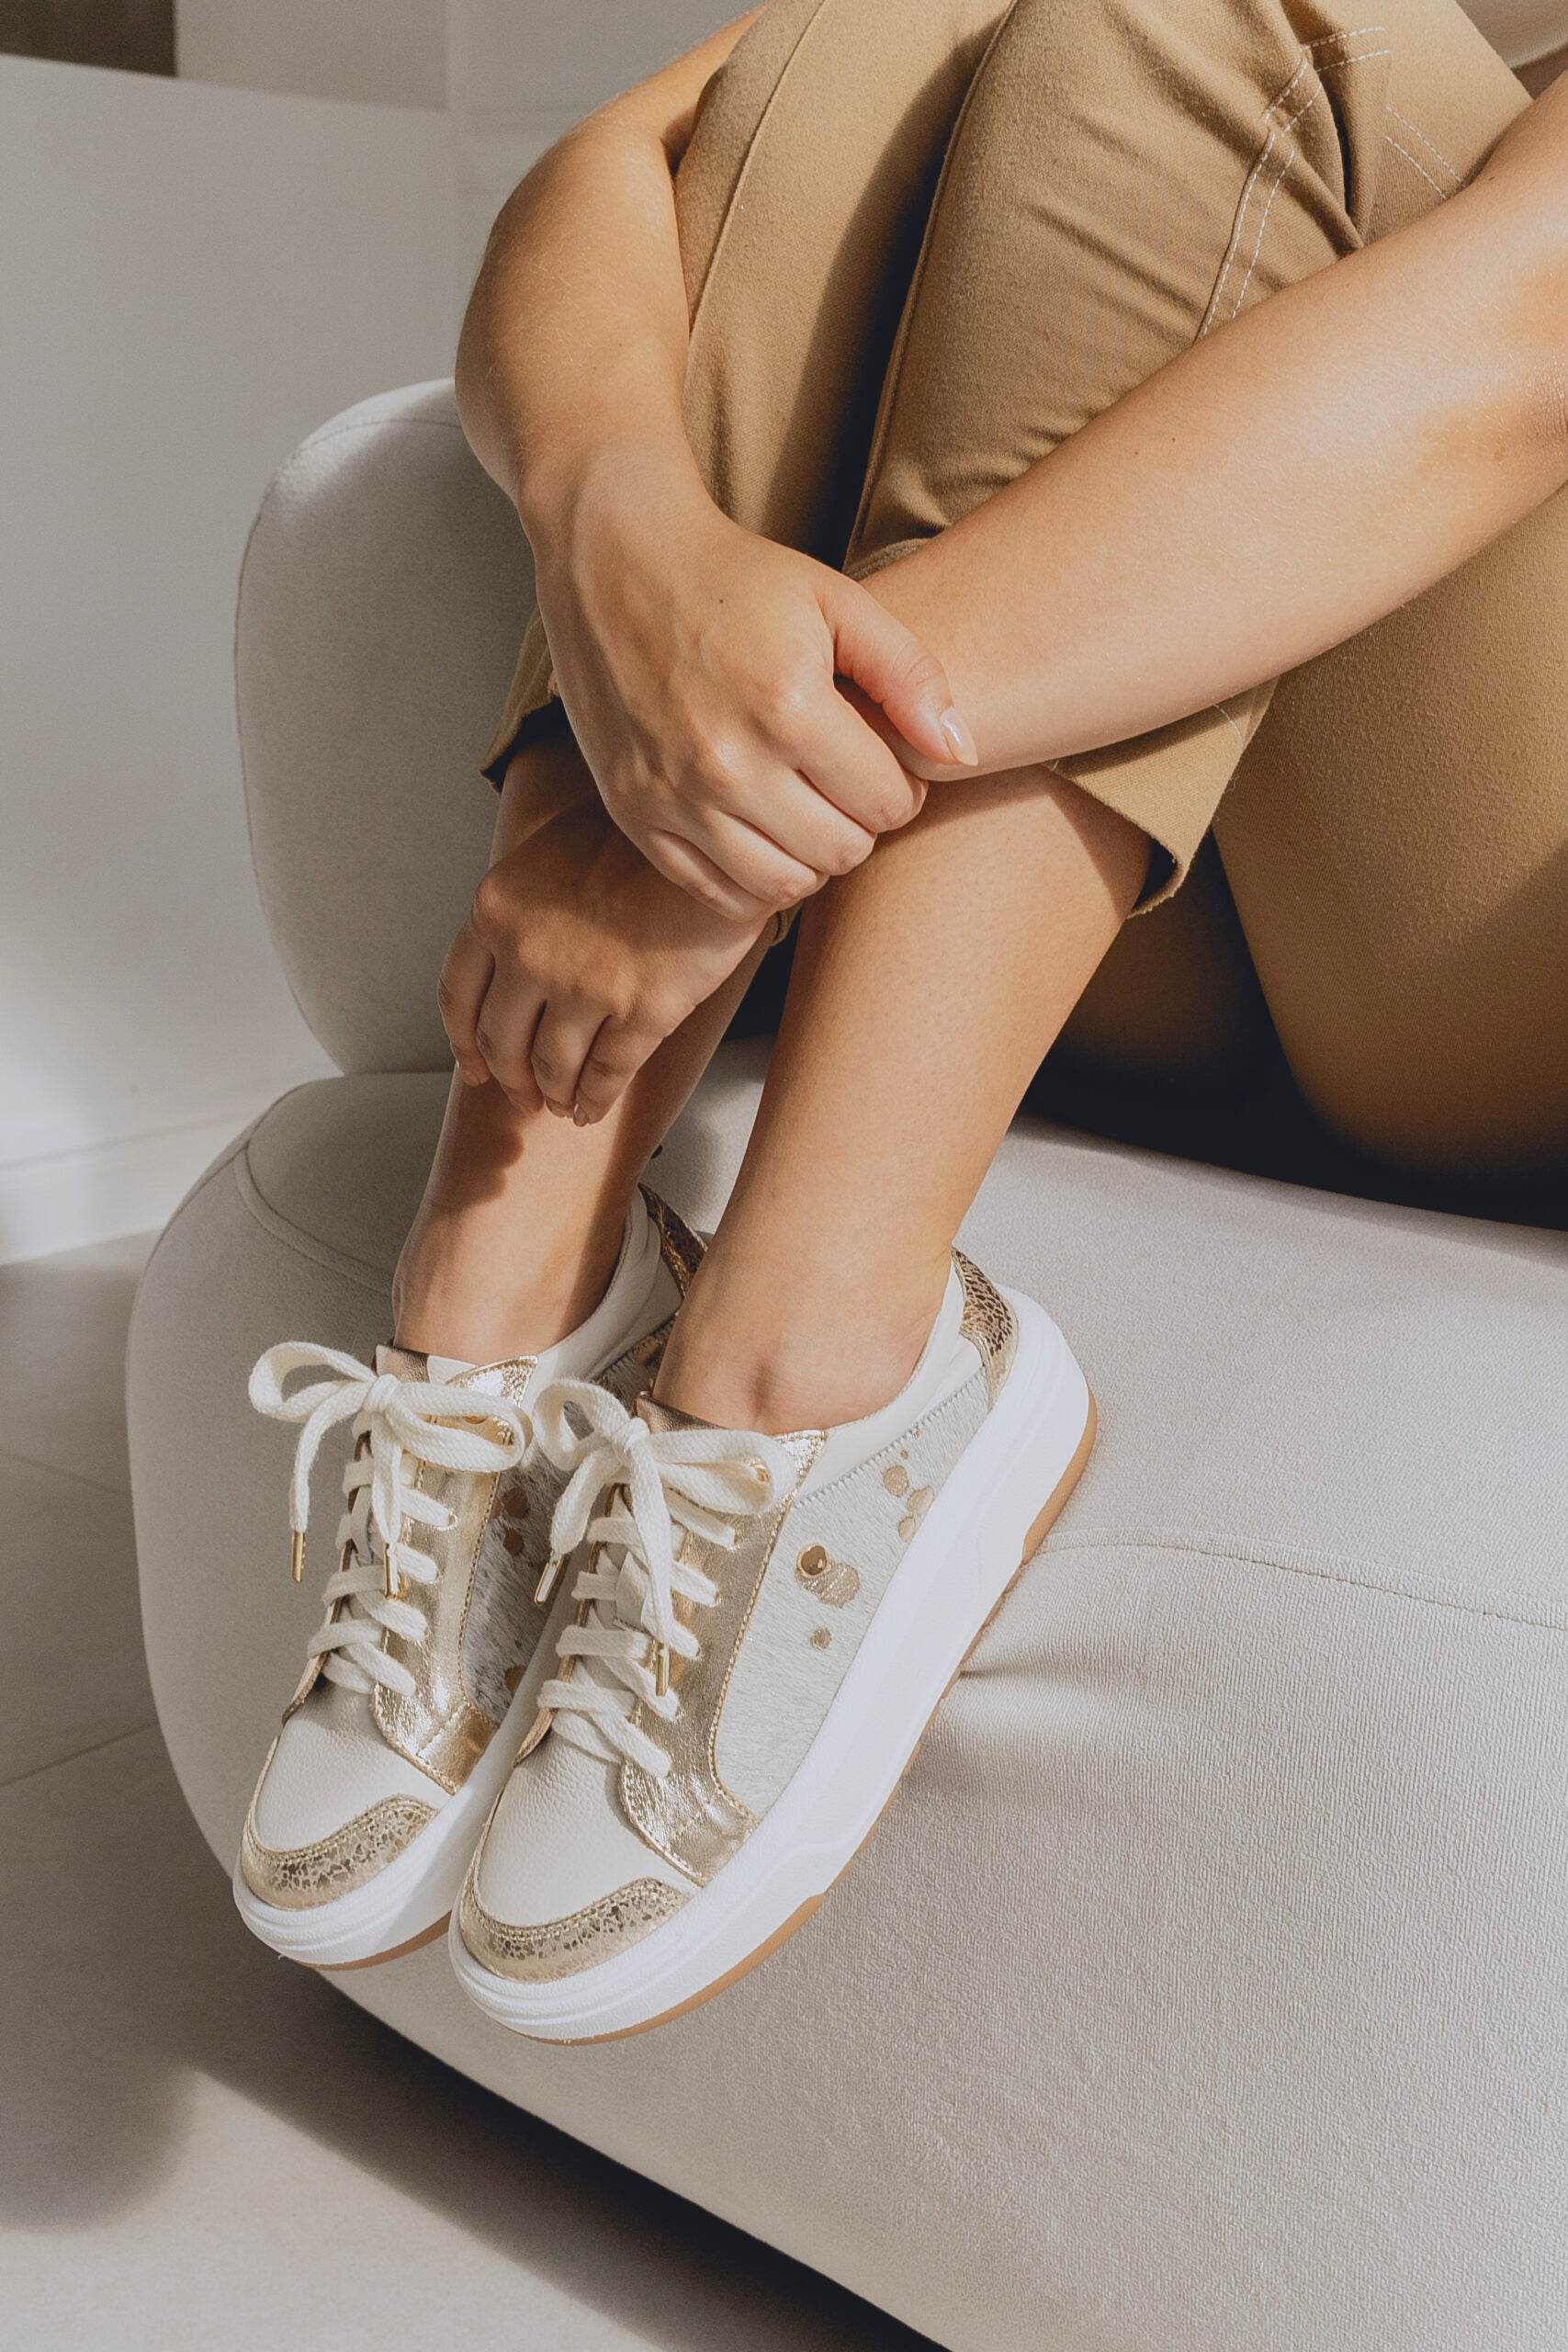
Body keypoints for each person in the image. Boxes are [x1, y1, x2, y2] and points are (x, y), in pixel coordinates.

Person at [232, 0, 1568, 2038]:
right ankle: (505, 1292)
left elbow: (1521, 333)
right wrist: (620, 543)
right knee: (843, 60)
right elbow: (614, 174)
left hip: (1475, 940)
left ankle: (814, 1354)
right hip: (1112, 903)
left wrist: (683, 844)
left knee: (1191, 39)